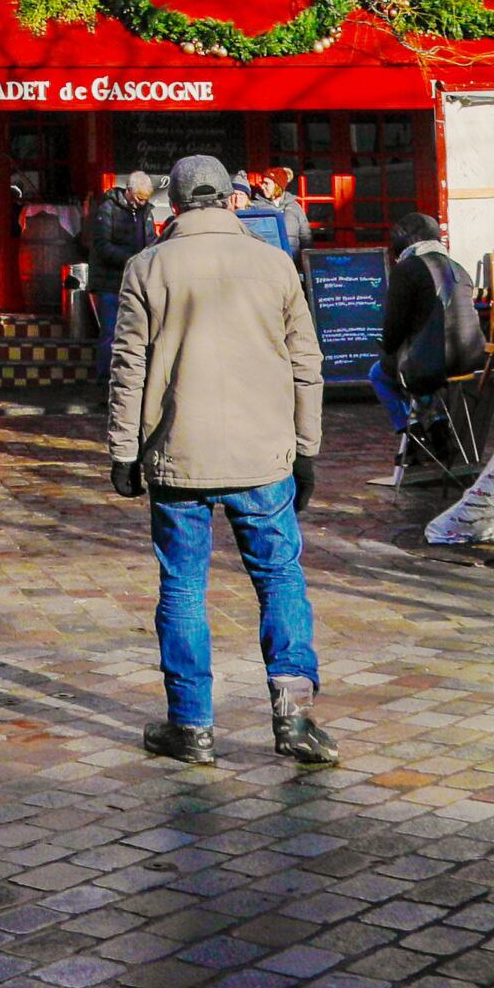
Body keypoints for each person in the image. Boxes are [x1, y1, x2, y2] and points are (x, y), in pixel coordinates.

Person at [106, 156, 334, 764]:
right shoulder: (275, 264)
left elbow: (128, 368)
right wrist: (307, 449)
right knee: (280, 579)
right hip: (265, 457)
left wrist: (124, 451)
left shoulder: (146, 267)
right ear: (232, 202)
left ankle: (192, 727)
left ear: (172, 206)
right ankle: (294, 720)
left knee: (183, 590)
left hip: (178, 455)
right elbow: (306, 365)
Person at [374, 217, 484, 476]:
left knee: (380, 373)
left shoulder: (408, 269)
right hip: (471, 359)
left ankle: (413, 435)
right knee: (420, 363)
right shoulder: (458, 268)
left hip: (431, 366)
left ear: (408, 239)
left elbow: (393, 327)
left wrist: (387, 347)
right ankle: (434, 420)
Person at [80, 170, 163, 363]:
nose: (142, 203)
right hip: (110, 282)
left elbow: (150, 240)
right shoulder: (108, 208)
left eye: (145, 199)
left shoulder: (145, 212)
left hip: (136, 281)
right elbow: (101, 246)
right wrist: (132, 259)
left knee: (138, 332)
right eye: (139, 198)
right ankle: (104, 378)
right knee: (110, 333)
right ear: (129, 191)